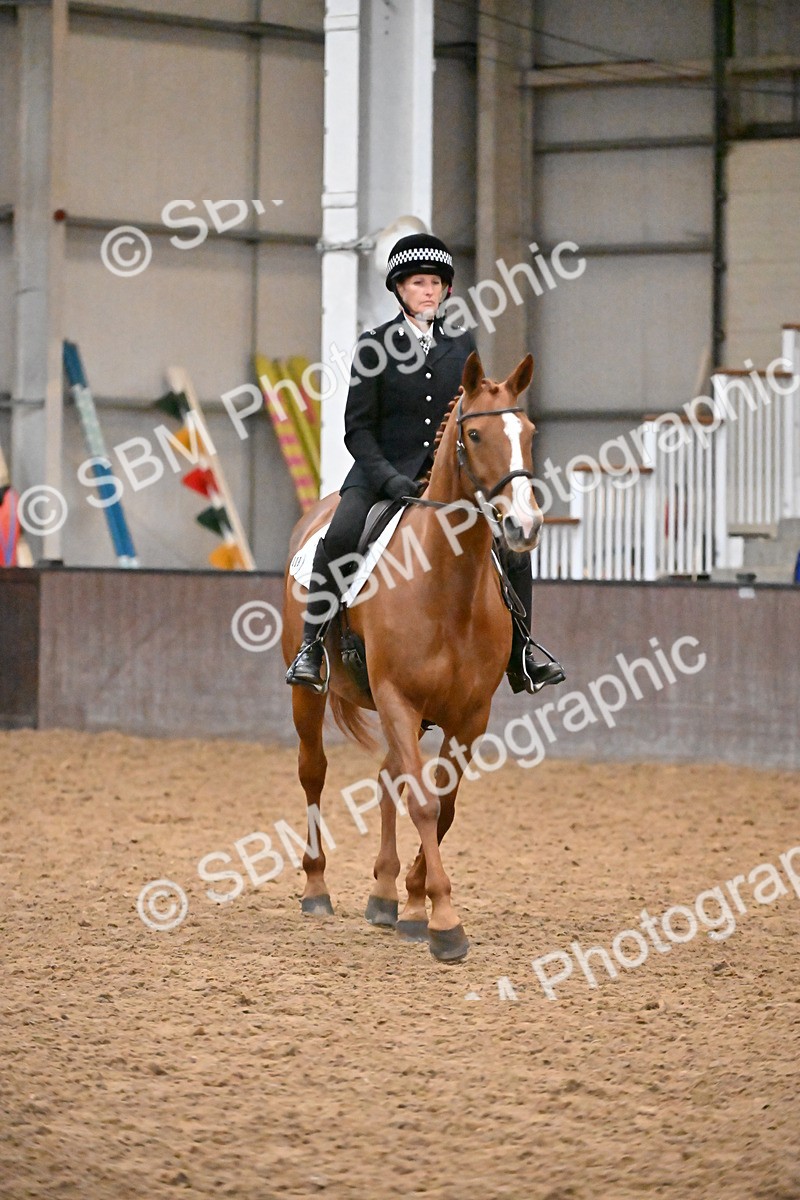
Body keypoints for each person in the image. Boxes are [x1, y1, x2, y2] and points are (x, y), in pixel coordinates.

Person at [286, 232, 565, 695]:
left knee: (511, 549)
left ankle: (522, 653)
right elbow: (357, 429)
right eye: (418, 283)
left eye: (436, 283)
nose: (429, 291)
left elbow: (471, 415)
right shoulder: (374, 346)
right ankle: (312, 646)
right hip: (381, 477)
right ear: (399, 289)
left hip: (447, 481)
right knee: (339, 535)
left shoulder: (460, 345)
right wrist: (389, 478)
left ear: (447, 289)